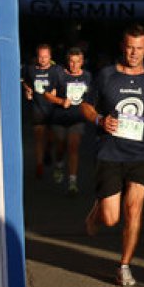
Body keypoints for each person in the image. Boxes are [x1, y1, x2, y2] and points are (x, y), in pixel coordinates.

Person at [81, 25, 144, 287]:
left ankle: (125, 266)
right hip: (110, 152)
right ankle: (98, 210)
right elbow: (86, 106)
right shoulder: (106, 76)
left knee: (134, 210)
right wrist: (99, 120)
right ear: (123, 46)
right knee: (111, 219)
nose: (134, 53)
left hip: (142, 153)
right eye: (130, 47)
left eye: (139, 48)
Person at [47, 46, 93, 195]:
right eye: (71, 62)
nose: (74, 65)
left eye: (77, 62)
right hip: (60, 118)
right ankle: (59, 164)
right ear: (68, 62)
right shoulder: (60, 75)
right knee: (61, 147)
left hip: (77, 118)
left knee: (73, 147)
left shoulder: (87, 76)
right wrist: (61, 101)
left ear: (82, 62)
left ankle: (73, 181)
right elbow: (48, 95)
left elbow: (89, 97)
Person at [22, 44, 60, 179]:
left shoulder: (56, 70)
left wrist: (57, 91)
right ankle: (39, 165)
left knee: (52, 137)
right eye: (40, 57)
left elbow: (64, 82)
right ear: (37, 57)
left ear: (50, 57)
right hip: (37, 107)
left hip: (53, 109)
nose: (43, 59)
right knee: (38, 137)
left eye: (45, 57)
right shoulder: (31, 69)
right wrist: (28, 89)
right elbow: (24, 81)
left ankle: (48, 149)